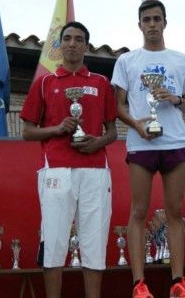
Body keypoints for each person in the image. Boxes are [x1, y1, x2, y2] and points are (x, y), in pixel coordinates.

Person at [111, 0, 185, 298]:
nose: (152, 24)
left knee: (175, 212)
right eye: (146, 19)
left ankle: (178, 282)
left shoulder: (180, 60)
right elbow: (118, 106)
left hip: (174, 140)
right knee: (138, 211)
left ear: (165, 22)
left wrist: (173, 98)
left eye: (156, 19)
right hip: (141, 142)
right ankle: (139, 284)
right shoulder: (127, 61)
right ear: (139, 25)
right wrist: (137, 125)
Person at [20, 21, 117, 298]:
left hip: (96, 169)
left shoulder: (101, 83)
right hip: (56, 169)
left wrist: (98, 141)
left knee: (94, 240)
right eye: (67, 39)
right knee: (53, 240)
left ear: (86, 46)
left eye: (78, 39)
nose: (72, 43)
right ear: (59, 45)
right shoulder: (44, 83)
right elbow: (27, 132)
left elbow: (111, 132)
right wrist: (57, 129)